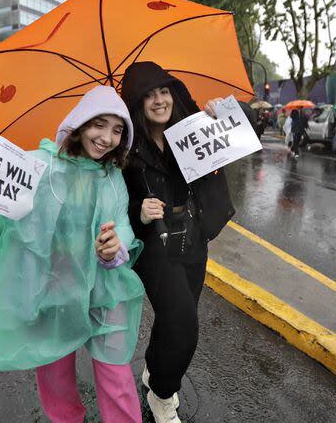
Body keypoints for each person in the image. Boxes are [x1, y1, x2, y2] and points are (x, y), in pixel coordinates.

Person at [0, 86, 145, 422]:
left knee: (116, 375)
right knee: (55, 379)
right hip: (52, 291)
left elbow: (123, 224)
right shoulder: (35, 167)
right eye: (99, 124)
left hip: (105, 291)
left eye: (118, 130)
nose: (107, 138)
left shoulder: (112, 176)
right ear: (79, 124)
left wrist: (114, 246)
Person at [119, 62, 235, 423]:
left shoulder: (194, 128)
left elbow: (242, 133)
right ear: (137, 102)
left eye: (164, 91)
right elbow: (111, 199)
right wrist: (139, 209)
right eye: (149, 94)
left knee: (174, 318)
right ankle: (162, 395)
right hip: (155, 246)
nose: (158, 100)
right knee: (184, 326)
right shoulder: (126, 147)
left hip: (193, 238)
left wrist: (227, 111)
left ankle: (154, 370)